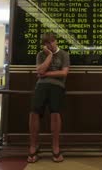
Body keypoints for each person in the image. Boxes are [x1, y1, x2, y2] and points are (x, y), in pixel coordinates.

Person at [27, 33, 70, 163]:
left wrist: (45, 73)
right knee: (34, 112)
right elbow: (39, 71)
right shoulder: (41, 55)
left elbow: (64, 72)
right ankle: (33, 146)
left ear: (56, 41)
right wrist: (50, 56)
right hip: (41, 86)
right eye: (47, 43)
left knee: (55, 113)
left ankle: (55, 147)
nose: (49, 45)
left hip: (57, 86)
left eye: (51, 42)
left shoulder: (64, 54)